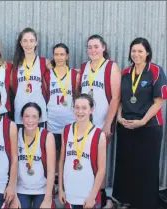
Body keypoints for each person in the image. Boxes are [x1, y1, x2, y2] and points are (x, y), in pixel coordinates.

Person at [112, 37, 167, 209]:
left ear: (147, 53)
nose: (136, 54)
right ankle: (126, 201)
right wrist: (119, 117)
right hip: (126, 126)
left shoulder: (156, 71)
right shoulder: (126, 73)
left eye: (140, 51)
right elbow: (119, 99)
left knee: (146, 167)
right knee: (127, 165)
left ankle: (145, 204)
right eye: (133, 51)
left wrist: (142, 121)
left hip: (148, 127)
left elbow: (159, 101)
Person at [78, 34, 121, 207]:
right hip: (84, 124)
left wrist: (108, 124)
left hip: (102, 123)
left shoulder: (111, 67)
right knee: (86, 159)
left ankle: (102, 199)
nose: (93, 50)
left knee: (99, 161)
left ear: (103, 47)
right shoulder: (84, 67)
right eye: (89, 47)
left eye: (96, 46)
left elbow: (116, 98)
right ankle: (87, 194)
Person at [58, 94, 107, 209]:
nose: (80, 111)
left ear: (91, 110)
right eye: (77, 107)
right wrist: (60, 188)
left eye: (84, 108)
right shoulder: (66, 130)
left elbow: (101, 170)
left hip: (88, 197)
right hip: (69, 195)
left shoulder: (99, 135)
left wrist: (92, 196)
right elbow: (62, 162)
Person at [10, 102, 56, 208]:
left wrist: (48, 198)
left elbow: (51, 170)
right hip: (20, 189)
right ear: (21, 118)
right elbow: (12, 164)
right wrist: (14, 195)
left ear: (39, 118)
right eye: (26, 116)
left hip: (42, 189)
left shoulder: (47, 136)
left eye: (34, 117)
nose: (30, 120)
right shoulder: (16, 134)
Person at [45, 43, 78, 181]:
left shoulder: (74, 74)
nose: (59, 57)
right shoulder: (47, 75)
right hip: (52, 121)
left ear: (67, 56)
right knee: (54, 153)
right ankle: (54, 182)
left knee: (69, 152)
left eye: (62, 54)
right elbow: (45, 94)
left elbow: (76, 95)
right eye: (56, 54)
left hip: (69, 120)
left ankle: (66, 181)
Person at [11, 27, 51, 128]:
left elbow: (60, 70)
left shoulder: (44, 62)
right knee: (21, 141)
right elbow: (11, 84)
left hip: (39, 108)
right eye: (25, 41)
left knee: (39, 140)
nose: (28, 44)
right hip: (20, 108)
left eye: (31, 41)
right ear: (20, 43)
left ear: (36, 42)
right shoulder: (15, 64)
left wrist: (78, 72)